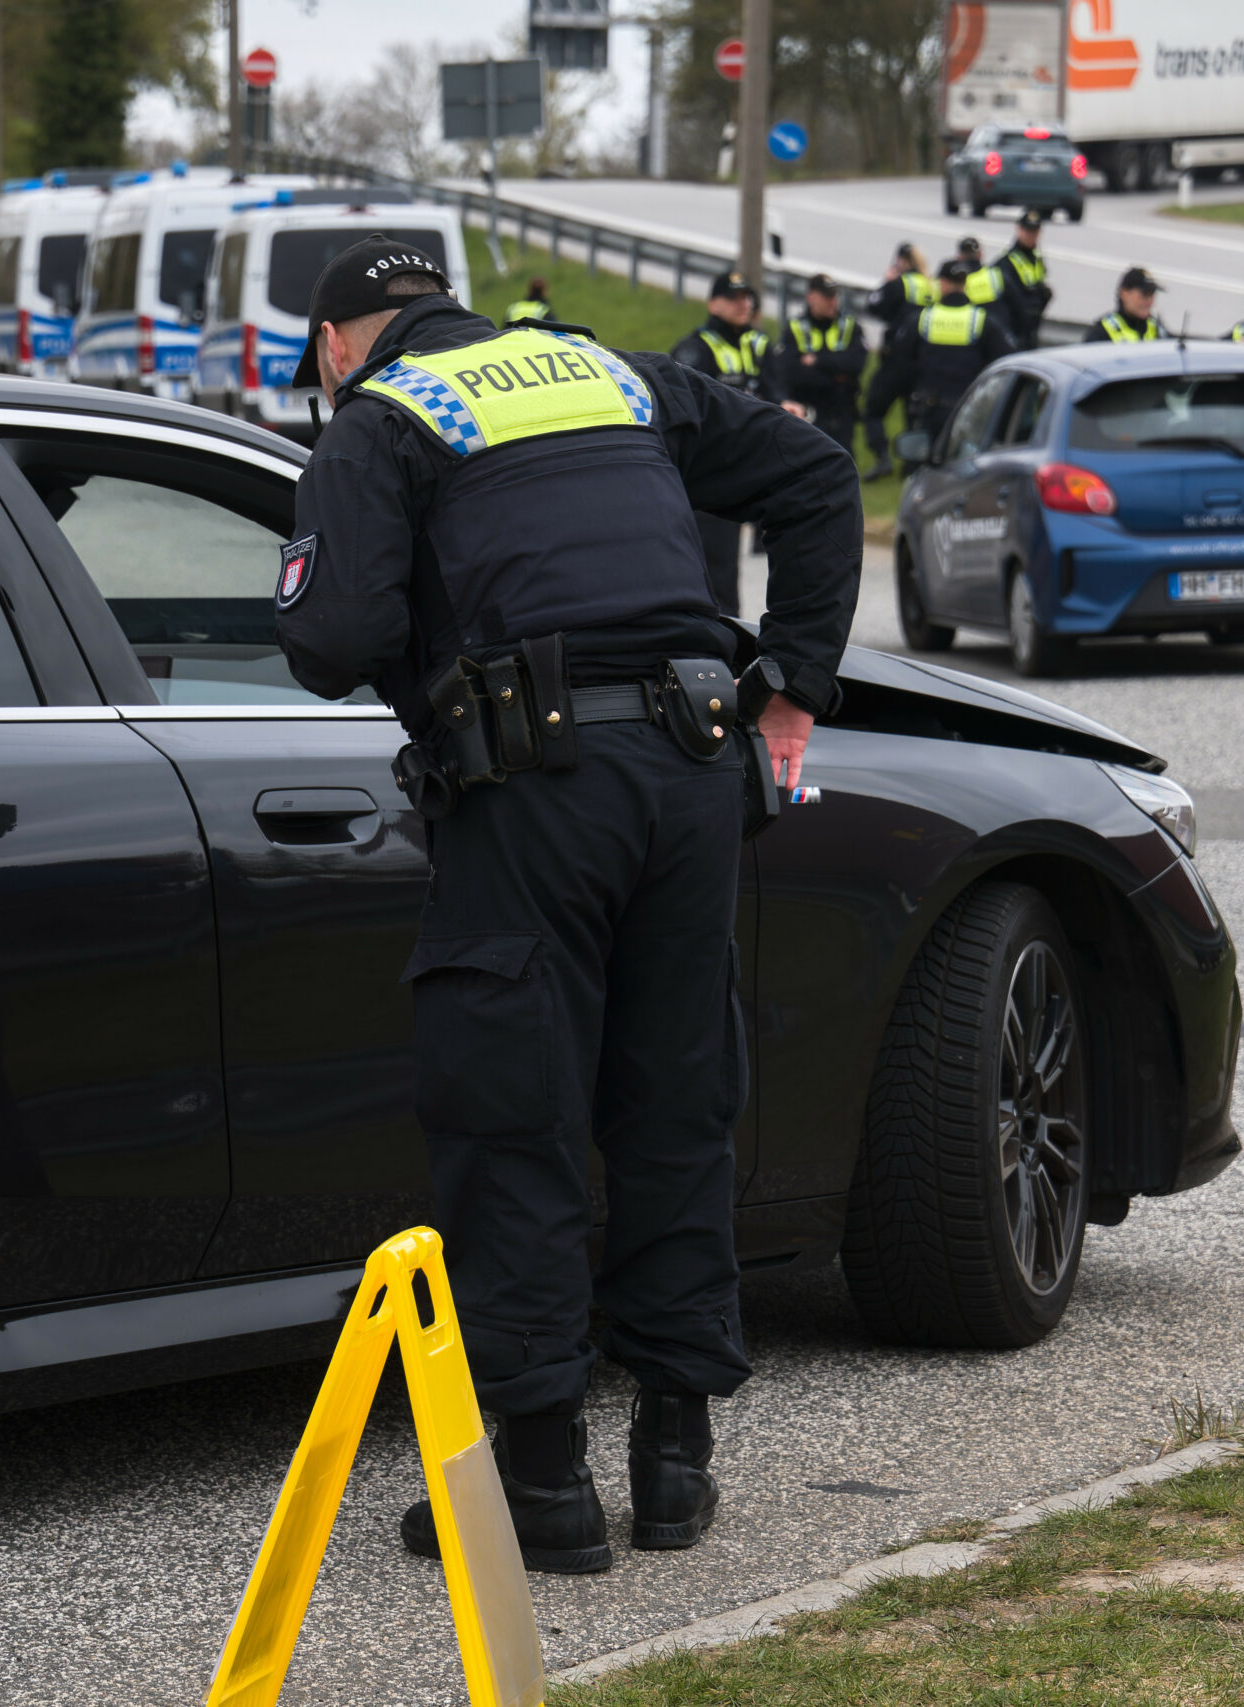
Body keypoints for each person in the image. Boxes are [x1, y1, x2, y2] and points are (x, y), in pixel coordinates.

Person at [273, 237, 861, 1578]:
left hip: (535, 787)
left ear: (335, 344)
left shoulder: (381, 419)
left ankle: (541, 1481)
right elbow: (819, 477)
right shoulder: (611, 374)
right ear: (452, 303)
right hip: (694, 770)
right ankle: (675, 1459)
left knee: (513, 1112)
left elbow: (331, 641)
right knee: (675, 1099)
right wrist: (791, 685)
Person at [669, 272, 766, 614]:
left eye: (746, 298)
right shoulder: (694, 350)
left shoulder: (751, 346)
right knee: (714, 572)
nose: (744, 304)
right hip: (706, 477)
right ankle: (721, 635)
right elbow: (684, 410)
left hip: (738, 472)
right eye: (733, 298)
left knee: (726, 569)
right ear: (713, 304)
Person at [870, 261, 1018, 470]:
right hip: (967, 411)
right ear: (964, 284)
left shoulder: (922, 320)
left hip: (926, 412)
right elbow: (1005, 365)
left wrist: (877, 406)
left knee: (921, 473)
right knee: (962, 471)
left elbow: (898, 369)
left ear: (942, 284)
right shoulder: (984, 322)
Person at [767, 275, 869, 470]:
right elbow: (790, 373)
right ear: (811, 297)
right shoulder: (795, 328)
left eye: (834, 296)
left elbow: (856, 365)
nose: (833, 302)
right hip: (807, 410)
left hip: (841, 411)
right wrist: (837, 376)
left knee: (842, 467)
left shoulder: (850, 327)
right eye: (827, 297)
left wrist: (818, 361)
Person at [974, 212, 1052, 348]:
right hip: (1016, 327)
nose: (1031, 235)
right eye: (1027, 231)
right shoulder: (1006, 262)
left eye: (1034, 231)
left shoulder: (1036, 258)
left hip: (1032, 324)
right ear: (1018, 229)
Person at [864, 243, 935, 341]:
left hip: (901, 338)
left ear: (902, 261)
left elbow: (873, 305)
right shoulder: (932, 284)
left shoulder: (900, 283)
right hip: (925, 340)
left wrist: (886, 282)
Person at [1083, 267, 1164, 343]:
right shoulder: (1102, 331)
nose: (1149, 301)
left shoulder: (1158, 329)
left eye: (1152, 294)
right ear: (1124, 294)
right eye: (1144, 294)